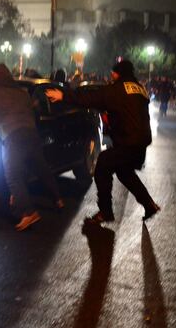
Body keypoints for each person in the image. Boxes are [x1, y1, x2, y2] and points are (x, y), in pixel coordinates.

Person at [46, 60, 160, 223]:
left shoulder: (117, 90)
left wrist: (63, 95)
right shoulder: (140, 89)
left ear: (118, 73)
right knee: (124, 172)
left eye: (113, 73)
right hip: (140, 140)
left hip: (128, 141)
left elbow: (90, 98)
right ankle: (149, 205)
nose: (111, 76)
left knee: (102, 166)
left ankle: (105, 212)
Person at [0, 64, 62, 231]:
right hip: (31, 134)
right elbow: (33, 111)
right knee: (41, 168)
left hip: (12, 136)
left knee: (12, 175)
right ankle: (58, 198)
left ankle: (28, 212)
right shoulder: (22, 93)